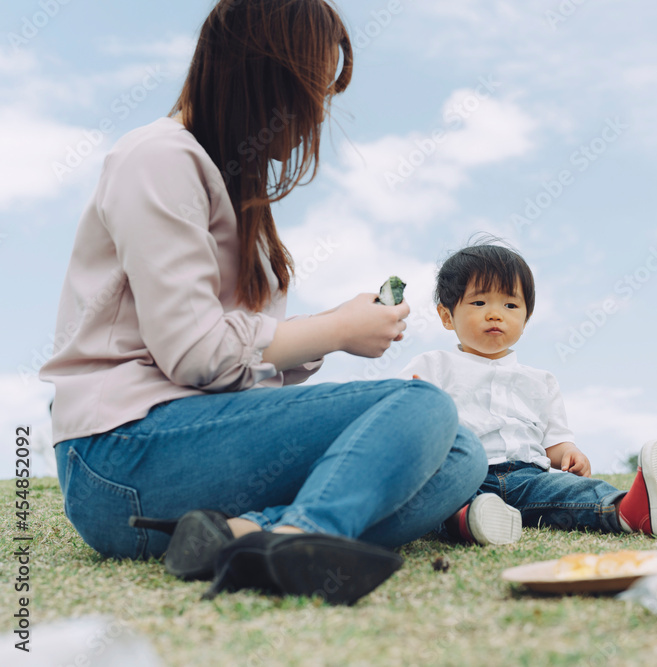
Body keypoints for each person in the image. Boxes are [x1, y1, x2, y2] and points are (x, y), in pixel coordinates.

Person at [38, 0, 487, 605]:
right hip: (120, 457)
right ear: (265, 76)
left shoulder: (226, 180)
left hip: (178, 447)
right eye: (311, 87)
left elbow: (232, 358)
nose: (319, 111)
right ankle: (303, 534)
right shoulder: (158, 159)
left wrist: (336, 330)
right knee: (424, 406)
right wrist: (332, 330)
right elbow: (196, 355)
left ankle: (244, 536)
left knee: (463, 454)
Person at [399, 242, 657, 546]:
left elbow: (554, 442)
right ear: (446, 316)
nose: (495, 314)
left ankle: (627, 511)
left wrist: (569, 454)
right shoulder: (433, 365)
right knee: (438, 494)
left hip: (529, 478)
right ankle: (470, 520)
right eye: (479, 303)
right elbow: (402, 415)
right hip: (464, 475)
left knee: (570, 491)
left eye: (510, 305)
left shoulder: (540, 381)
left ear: (525, 318)